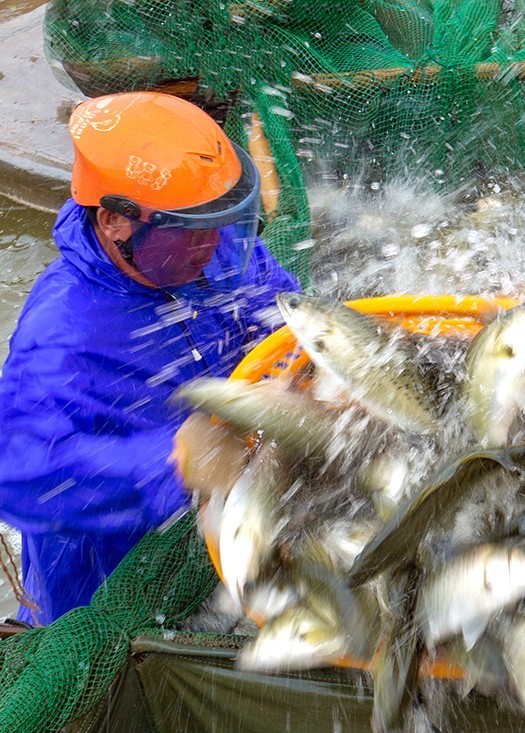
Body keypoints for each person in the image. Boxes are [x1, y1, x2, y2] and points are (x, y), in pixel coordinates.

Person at [0, 91, 301, 625]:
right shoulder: (61, 338)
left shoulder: (218, 246)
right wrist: (173, 463)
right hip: (111, 596)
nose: (212, 245)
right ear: (116, 222)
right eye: (189, 231)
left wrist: (297, 377)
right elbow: (21, 472)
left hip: (228, 528)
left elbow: (277, 318)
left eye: (222, 222)